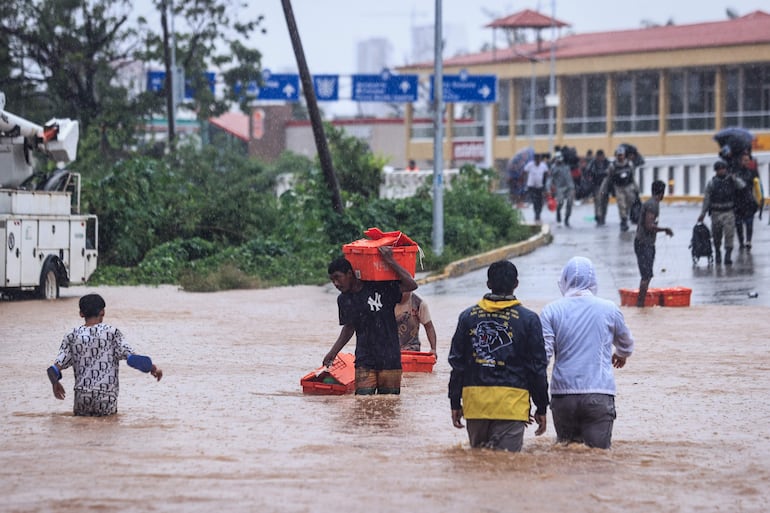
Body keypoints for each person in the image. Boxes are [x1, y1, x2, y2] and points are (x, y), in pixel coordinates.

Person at [448, 260, 549, 452]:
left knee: (478, 466)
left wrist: (455, 402)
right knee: (506, 470)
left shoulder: (468, 317)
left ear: (488, 284)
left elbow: (457, 364)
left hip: (475, 405)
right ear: (516, 284)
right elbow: (537, 368)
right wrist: (541, 407)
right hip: (511, 406)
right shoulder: (528, 320)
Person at [540, 256, 634, 449]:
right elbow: (626, 341)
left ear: (564, 279)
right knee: (598, 461)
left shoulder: (551, 311)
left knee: (566, 455)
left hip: (563, 395)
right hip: (598, 394)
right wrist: (621, 353)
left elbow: (543, 355)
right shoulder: (609, 308)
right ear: (593, 281)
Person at [46, 294, 163, 416]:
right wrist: (153, 368)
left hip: (82, 396)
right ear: (103, 312)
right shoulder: (111, 332)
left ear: (81, 314)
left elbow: (53, 370)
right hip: (106, 396)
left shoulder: (71, 335)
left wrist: (55, 383)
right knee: (108, 428)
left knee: (81, 429)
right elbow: (132, 359)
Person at [324, 246, 418, 395]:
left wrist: (390, 261)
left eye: (337, 277)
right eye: (332, 280)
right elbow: (349, 328)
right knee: (362, 404)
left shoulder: (380, 287)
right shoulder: (344, 299)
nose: (335, 283)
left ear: (350, 274)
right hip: (364, 359)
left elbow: (411, 285)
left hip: (390, 358)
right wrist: (333, 352)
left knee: (389, 406)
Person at [634, 180, 674, 307]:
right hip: (644, 244)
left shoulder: (651, 203)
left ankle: (640, 305)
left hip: (643, 243)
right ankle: (640, 305)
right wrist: (665, 230)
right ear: (662, 193)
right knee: (646, 276)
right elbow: (649, 226)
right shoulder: (653, 205)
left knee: (646, 275)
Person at [698, 160, 743, 265]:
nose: (721, 171)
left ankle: (728, 255)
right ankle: (718, 252)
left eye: (723, 169)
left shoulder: (731, 181)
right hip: (716, 212)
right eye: (719, 169)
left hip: (729, 211)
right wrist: (703, 213)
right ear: (716, 171)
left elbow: (742, 186)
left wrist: (734, 179)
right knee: (716, 234)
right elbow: (707, 199)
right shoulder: (712, 183)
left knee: (729, 234)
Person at [599, 146, 640, 232]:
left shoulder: (629, 164)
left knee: (629, 202)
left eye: (621, 155)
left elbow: (632, 177)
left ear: (624, 155)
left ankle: (626, 215)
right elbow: (608, 179)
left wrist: (636, 188)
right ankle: (623, 221)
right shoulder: (613, 166)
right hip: (618, 187)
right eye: (618, 155)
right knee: (621, 204)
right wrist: (603, 190)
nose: (620, 157)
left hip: (628, 187)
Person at [732, 152, 761, 252]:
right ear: (741, 161)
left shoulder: (753, 172)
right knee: (738, 224)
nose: (747, 162)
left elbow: (758, 187)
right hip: (738, 202)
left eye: (748, 160)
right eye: (745, 160)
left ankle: (748, 241)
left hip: (749, 202)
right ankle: (741, 241)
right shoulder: (735, 173)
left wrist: (759, 199)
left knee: (749, 223)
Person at [395, 291, 437, 355]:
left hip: (412, 348)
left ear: (410, 290)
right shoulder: (386, 301)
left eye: (404, 291)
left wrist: (433, 349)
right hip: (391, 348)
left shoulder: (419, 303)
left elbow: (429, 327)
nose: (401, 295)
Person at [584, 149, 611, 226]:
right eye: (599, 157)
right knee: (598, 201)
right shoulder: (593, 163)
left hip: (606, 186)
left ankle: (603, 216)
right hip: (597, 186)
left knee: (604, 202)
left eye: (601, 156)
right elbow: (588, 171)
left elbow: (611, 172)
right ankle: (598, 216)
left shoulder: (607, 163)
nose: (600, 158)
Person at [549, 152, 575, 227]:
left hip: (569, 187)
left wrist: (573, 188)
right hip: (559, 187)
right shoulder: (553, 168)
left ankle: (567, 219)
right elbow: (550, 179)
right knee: (560, 202)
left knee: (570, 203)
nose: (560, 161)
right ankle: (558, 211)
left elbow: (569, 178)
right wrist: (549, 189)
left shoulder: (566, 167)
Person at [524, 153, 549, 224]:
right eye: (536, 159)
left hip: (540, 186)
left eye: (539, 159)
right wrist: (526, 181)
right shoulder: (530, 165)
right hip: (531, 186)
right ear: (534, 159)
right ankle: (536, 214)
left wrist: (545, 182)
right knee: (535, 201)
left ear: (540, 160)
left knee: (540, 201)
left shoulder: (543, 166)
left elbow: (546, 173)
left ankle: (538, 213)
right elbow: (525, 172)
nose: (537, 161)